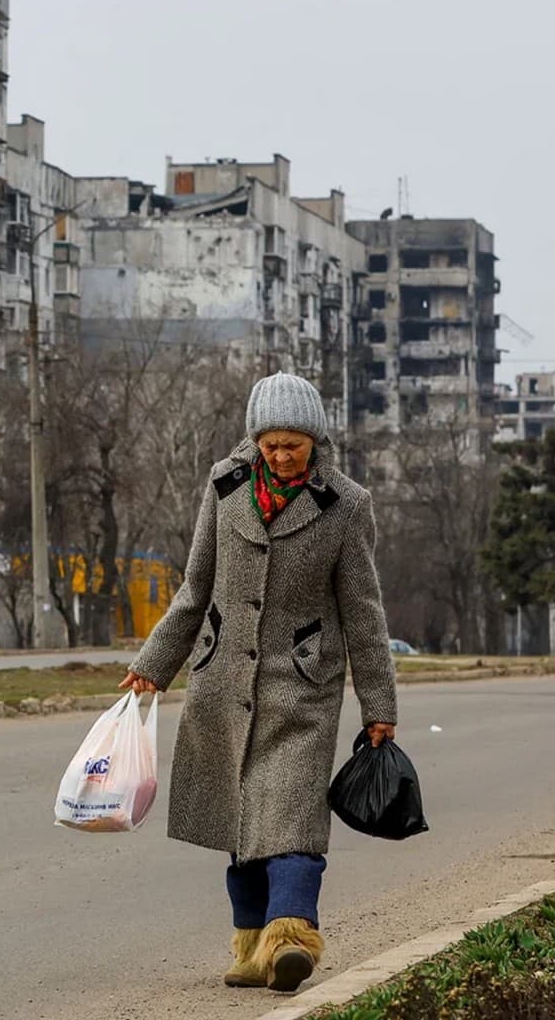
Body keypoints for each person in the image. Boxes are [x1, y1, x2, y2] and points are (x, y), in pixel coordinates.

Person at [119, 373, 398, 995]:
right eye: (271, 444)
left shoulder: (346, 505)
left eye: (293, 445)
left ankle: (292, 939)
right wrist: (154, 664)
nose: (281, 456)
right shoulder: (224, 486)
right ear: (256, 439)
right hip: (223, 682)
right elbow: (196, 589)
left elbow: (364, 611)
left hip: (303, 686)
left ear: (314, 440)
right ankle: (249, 948)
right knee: (241, 823)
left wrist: (378, 704)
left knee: (292, 816)